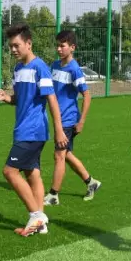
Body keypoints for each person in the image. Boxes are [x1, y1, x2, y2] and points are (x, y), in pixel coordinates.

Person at [0, 24, 68, 237]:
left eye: (16, 45)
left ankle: (36, 216)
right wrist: (7, 97)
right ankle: (41, 224)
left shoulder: (40, 67)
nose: (13, 49)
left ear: (29, 43)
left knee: (9, 171)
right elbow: (20, 99)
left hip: (33, 130)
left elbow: (51, 99)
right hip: (23, 129)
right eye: (10, 46)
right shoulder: (18, 69)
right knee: (32, 173)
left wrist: (59, 129)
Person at [44, 30, 102, 206]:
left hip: (68, 120)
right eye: (57, 45)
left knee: (59, 155)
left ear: (72, 47)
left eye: (62, 46)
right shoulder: (55, 65)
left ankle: (53, 195)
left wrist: (81, 121)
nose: (58, 49)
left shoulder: (74, 70)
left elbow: (87, 95)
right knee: (66, 154)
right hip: (58, 119)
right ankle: (91, 182)